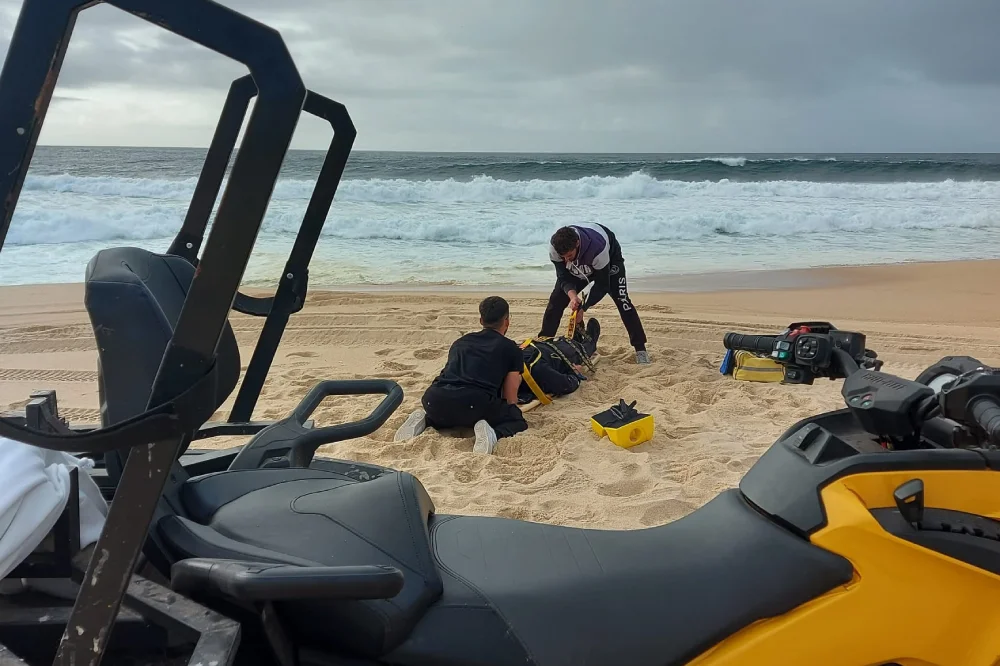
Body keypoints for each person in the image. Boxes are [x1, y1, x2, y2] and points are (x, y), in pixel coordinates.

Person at [393, 296, 527, 454]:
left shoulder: (461, 342)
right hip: (472, 403)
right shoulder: (510, 348)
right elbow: (511, 397)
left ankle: (426, 419)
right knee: (517, 420)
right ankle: (493, 434)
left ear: (481, 320)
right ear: (507, 321)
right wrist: (510, 407)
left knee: (449, 412)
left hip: (434, 399)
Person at [539, 223, 649, 364]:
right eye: (563, 257)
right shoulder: (555, 248)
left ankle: (640, 349)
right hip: (582, 263)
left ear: (577, 243)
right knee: (556, 301)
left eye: (569, 255)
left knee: (623, 301)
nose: (566, 260)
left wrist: (584, 307)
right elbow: (563, 277)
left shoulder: (598, 248)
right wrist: (573, 297)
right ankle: (544, 344)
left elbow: (602, 285)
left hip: (608, 262)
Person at [519, 318, 601, 404]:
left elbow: (566, 384)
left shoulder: (538, 370)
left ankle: (577, 339)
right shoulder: (539, 371)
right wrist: (575, 373)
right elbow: (567, 384)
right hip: (553, 355)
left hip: (543, 350)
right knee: (576, 349)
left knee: (567, 346)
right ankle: (588, 342)